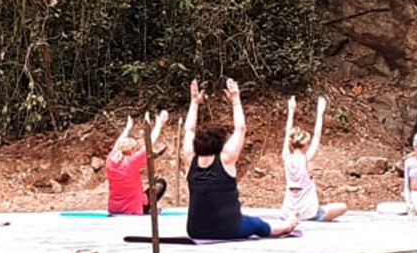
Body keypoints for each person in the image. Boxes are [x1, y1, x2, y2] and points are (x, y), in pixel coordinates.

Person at [182, 78, 298, 239]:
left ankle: (287, 225)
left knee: (252, 222)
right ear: (221, 144)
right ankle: (288, 225)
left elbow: (188, 129)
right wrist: (236, 99)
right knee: (257, 224)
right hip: (229, 229)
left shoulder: (190, 159)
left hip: (195, 230)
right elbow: (240, 129)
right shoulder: (226, 158)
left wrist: (194, 102)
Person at [280, 95, 347, 221]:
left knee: (326, 208)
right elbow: (317, 136)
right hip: (308, 213)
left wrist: (291, 111)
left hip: (287, 212)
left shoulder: (286, 157)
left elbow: (287, 134)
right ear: (305, 144)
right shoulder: (307, 158)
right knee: (342, 207)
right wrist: (320, 113)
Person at [106, 111, 170, 215]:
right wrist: (159, 125)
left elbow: (117, 145)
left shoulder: (110, 160)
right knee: (161, 183)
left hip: (114, 208)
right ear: (131, 150)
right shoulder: (131, 161)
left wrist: (127, 128)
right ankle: (147, 208)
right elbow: (150, 142)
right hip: (132, 208)